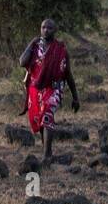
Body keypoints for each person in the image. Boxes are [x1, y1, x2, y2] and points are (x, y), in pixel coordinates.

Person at [19, 18, 79, 163]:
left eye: (50, 28)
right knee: (38, 120)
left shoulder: (60, 50)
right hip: (35, 89)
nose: (46, 30)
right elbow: (22, 62)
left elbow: (68, 74)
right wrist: (31, 43)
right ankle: (47, 151)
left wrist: (75, 97)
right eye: (43, 27)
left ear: (55, 30)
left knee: (46, 115)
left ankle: (47, 156)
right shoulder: (34, 47)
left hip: (53, 88)